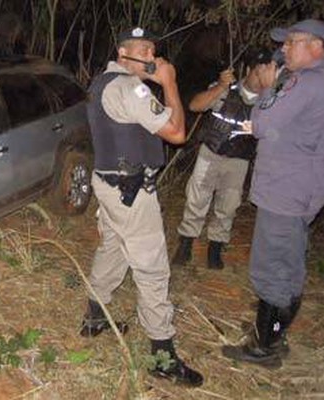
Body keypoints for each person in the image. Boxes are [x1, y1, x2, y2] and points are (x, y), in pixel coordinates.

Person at [80, 26, 203, 387]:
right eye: (144, 50)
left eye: (154, 50)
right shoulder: (129, 88)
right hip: (130, 191)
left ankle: (94, 317)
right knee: (152, 268)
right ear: (123, 54)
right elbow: (178, 133)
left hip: (109, 183)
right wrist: (169, 82)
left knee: (113, 249)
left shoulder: (102, 81)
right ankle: (162, 357)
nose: (152, 57)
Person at [222, 19, 324, 368]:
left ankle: (265, 347)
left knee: (273, 267)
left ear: (316, 46)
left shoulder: (307, 82)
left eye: (291, 42)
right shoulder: (322, 80)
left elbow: (265, 124)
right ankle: (270, 331)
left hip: (288, 186)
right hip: (302, 181)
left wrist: (270, 89)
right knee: (287, 261)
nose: (284, 48)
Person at [171, 50, 272, 269]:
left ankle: (215, 248)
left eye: (268, 71)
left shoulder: (269, 102)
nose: (262, 77)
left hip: (239, 160)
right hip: (211, 153)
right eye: (259, 70)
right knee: (196, 199)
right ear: (249, 70)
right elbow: (195, 105)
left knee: (229, 205)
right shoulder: (226, 89)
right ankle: (186, 243)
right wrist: (220, 86)